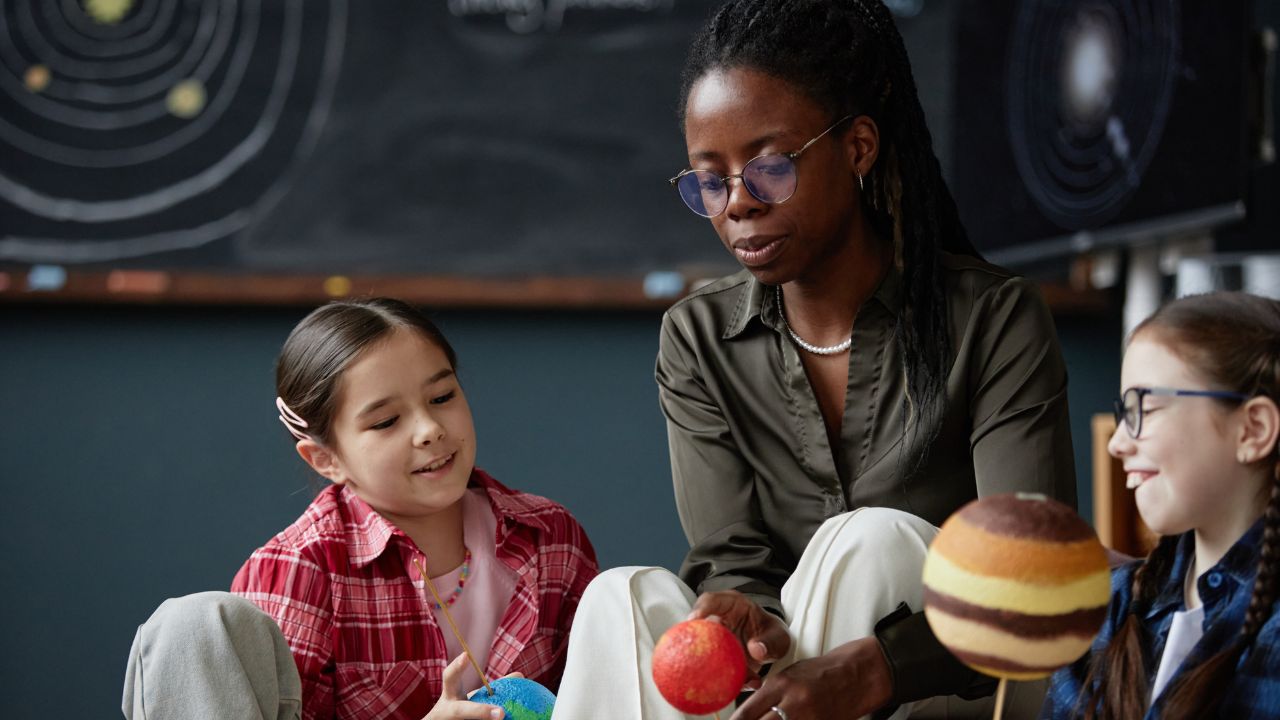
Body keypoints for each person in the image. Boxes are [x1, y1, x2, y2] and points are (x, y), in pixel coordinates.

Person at [551, 2, 1076, 719]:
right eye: (710, 180)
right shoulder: (699, 339)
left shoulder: (991, 317)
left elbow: (1033, 579)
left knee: (868, 540)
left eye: (768, 168)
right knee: (621, 597)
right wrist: (750, 619)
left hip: (960, 681)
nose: (737, 205)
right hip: (793, 680)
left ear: (858, 147)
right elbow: (732, 554)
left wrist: (879, 667)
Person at [123, 298, 599, 720]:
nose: (429, 428)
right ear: (325, 459)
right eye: (386, 421)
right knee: (196, 623)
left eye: (442, 396)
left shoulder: (550, 536)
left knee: (631, 588)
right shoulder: (296, 571)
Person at [1040, 292, 1280, 720]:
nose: (1117, 443)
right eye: (1121, 413)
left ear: (1254, 429)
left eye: (1143, 409)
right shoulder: (1112, 607)